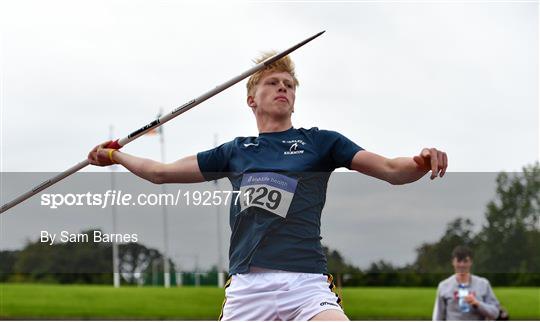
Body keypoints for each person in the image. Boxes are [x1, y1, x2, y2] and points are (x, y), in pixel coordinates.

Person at [88, 53, 448, 321]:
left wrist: (419, 162)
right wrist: (117, 157)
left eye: (289, 85)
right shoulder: (235, 152)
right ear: (251, 99)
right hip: (247, 289)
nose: (283, 88)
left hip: (306, 284)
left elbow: (389, 169)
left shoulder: (321, 143)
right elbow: (161, 173)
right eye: (272, 83)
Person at [432, 246, 501, 321]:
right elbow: (438, 316)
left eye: (465, 261)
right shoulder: (444, 286)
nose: (462, 265)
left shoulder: (483, 284)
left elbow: (495, 313)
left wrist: (477, 304)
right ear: (453, 262)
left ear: (471, 262)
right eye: (458, 261)